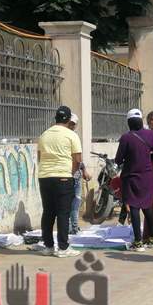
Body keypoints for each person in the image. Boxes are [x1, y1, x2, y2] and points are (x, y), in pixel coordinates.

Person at [37, 106, 83, 258]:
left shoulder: (44, 135)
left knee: (48, 212)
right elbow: (78, 160)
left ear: (55, 118)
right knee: (63, 213)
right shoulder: (71, 135)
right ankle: (63, 248)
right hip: (63, 176)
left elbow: (40, 157)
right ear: (69, 120)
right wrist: (72, 173)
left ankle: (48, 246)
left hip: (45, 177)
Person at [115, 109, 153, 252]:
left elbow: (118, 160)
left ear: (129, 122)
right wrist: (147, 157)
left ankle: (138, 242)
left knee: (134, 208)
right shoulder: (150, 135)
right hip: (147, 177)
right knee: (148, 207)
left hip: (131, 178)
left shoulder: (126, 138)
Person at [67, 113, 92, 234]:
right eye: (69, 123)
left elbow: (78, 158)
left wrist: (83, 170)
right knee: (68, 203)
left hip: (75, 175)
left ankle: (74, 227)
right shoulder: (67, 137)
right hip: (67, 175)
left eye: (73, 124)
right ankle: (68, 228)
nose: (71, 126)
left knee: (75, 202)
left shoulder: (74, 137)